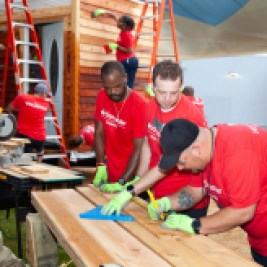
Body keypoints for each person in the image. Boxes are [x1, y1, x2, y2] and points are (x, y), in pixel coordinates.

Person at [147, 118, 267, 267]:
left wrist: (195, 225)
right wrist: (165, 203)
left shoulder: (238, 151)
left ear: (197, 149)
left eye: (181, 161)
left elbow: (243, 211)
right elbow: (195, 190)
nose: (179, 168)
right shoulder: (207, 149)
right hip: (259, 241)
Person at [101, 60, 209, 220]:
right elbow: (147, 143)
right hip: (158, 192)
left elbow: (167, 165)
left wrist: (132, 189)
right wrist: (139, 177)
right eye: (162, 92)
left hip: (185, 198)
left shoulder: (191, 117)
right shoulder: (150, 107)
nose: (167, 98)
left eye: (173, 92)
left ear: (181, 86)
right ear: (152, 88)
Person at [93, 60, 147, 192]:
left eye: (117, 86)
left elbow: (139, 149)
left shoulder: (140, 105)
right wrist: (100, 164)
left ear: (126, 79)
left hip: (133, 177)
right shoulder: (102, 95)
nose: (112, 92)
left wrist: (122, 181)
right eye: (107, 87)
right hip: (111, 171)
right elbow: (98, 132)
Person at [92, 9, 138, 89]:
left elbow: (130, 50)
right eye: (119, 21)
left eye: (121, 22)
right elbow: (113, 16)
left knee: (122, 81)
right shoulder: (123, 28)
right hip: (127, 60)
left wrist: (117, 46)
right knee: (125, 82)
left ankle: (126, 98)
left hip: (128, 60)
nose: (118, 23)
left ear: (126, 26)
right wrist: (102, 12)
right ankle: (126, 96)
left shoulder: (127, 35)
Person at [6, 83, 50, 162]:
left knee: (24, 157)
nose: (46, 97)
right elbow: (34, 112)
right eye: (46, 95)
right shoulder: (46, 105)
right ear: (43, 94)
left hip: (25, 136)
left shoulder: (22, 98)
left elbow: (9, 109)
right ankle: (38, 166)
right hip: (40, 137)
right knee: (40, 153)